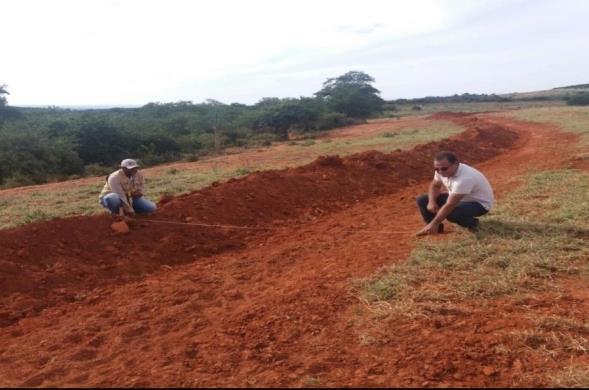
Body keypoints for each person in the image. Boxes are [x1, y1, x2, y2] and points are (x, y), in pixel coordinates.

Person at [416, 151, 494, 236]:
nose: (440, 172)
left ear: (456, 164)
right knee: (423, 200)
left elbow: (450, 205)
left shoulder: (465, 178)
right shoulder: (441, 169)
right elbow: (435, 186)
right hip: (459, 198)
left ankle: (474, 224)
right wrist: (431, 202)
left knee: (451, 212)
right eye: (436, 169)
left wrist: (435, 222)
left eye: (444, 168)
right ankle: (434, 229)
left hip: (479, 204)